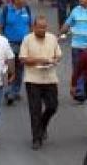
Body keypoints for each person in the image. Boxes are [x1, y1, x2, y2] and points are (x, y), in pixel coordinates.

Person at [20, 15, 61, 150]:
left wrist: (54, 60)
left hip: (50, 77)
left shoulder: (52, 38)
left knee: (52, 106)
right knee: (35, 109)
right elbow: (23, 59)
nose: (42, 30)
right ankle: (36, 138)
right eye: (40, 27)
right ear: (34, 27)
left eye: (44, 27)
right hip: (33, 78)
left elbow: (58, 55)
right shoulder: (27, 39)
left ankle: (42, 125)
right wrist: (40, 60)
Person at [0, 0, 32, 105]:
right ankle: (9, 91)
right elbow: (0, 25)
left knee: (20, 68)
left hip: (24, 43)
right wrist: (1, 40)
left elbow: (31, 25)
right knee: (11, 67)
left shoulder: (27, 10)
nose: (25, 0)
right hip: (10, 43)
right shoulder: (7, 10)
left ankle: (15, 91)